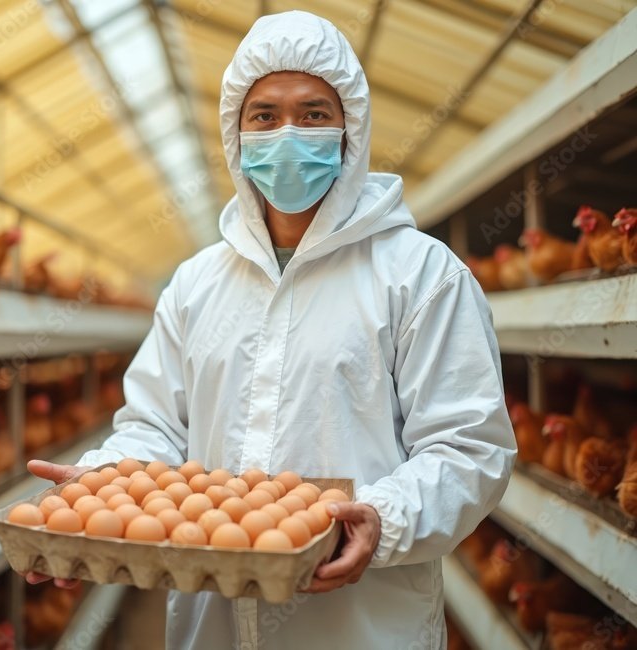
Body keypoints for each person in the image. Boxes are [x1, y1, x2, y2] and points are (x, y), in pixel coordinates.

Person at [27, 10, 516, 649]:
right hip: (213, 623)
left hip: (356, 626)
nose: (288, 134)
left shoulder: (420, 276)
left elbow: (468, 445)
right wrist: (103, 486)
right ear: (236, 135)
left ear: (351, 131)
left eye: (314, 114)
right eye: (264, 116)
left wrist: (382, 519)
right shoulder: (198, 284)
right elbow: (154, 426)